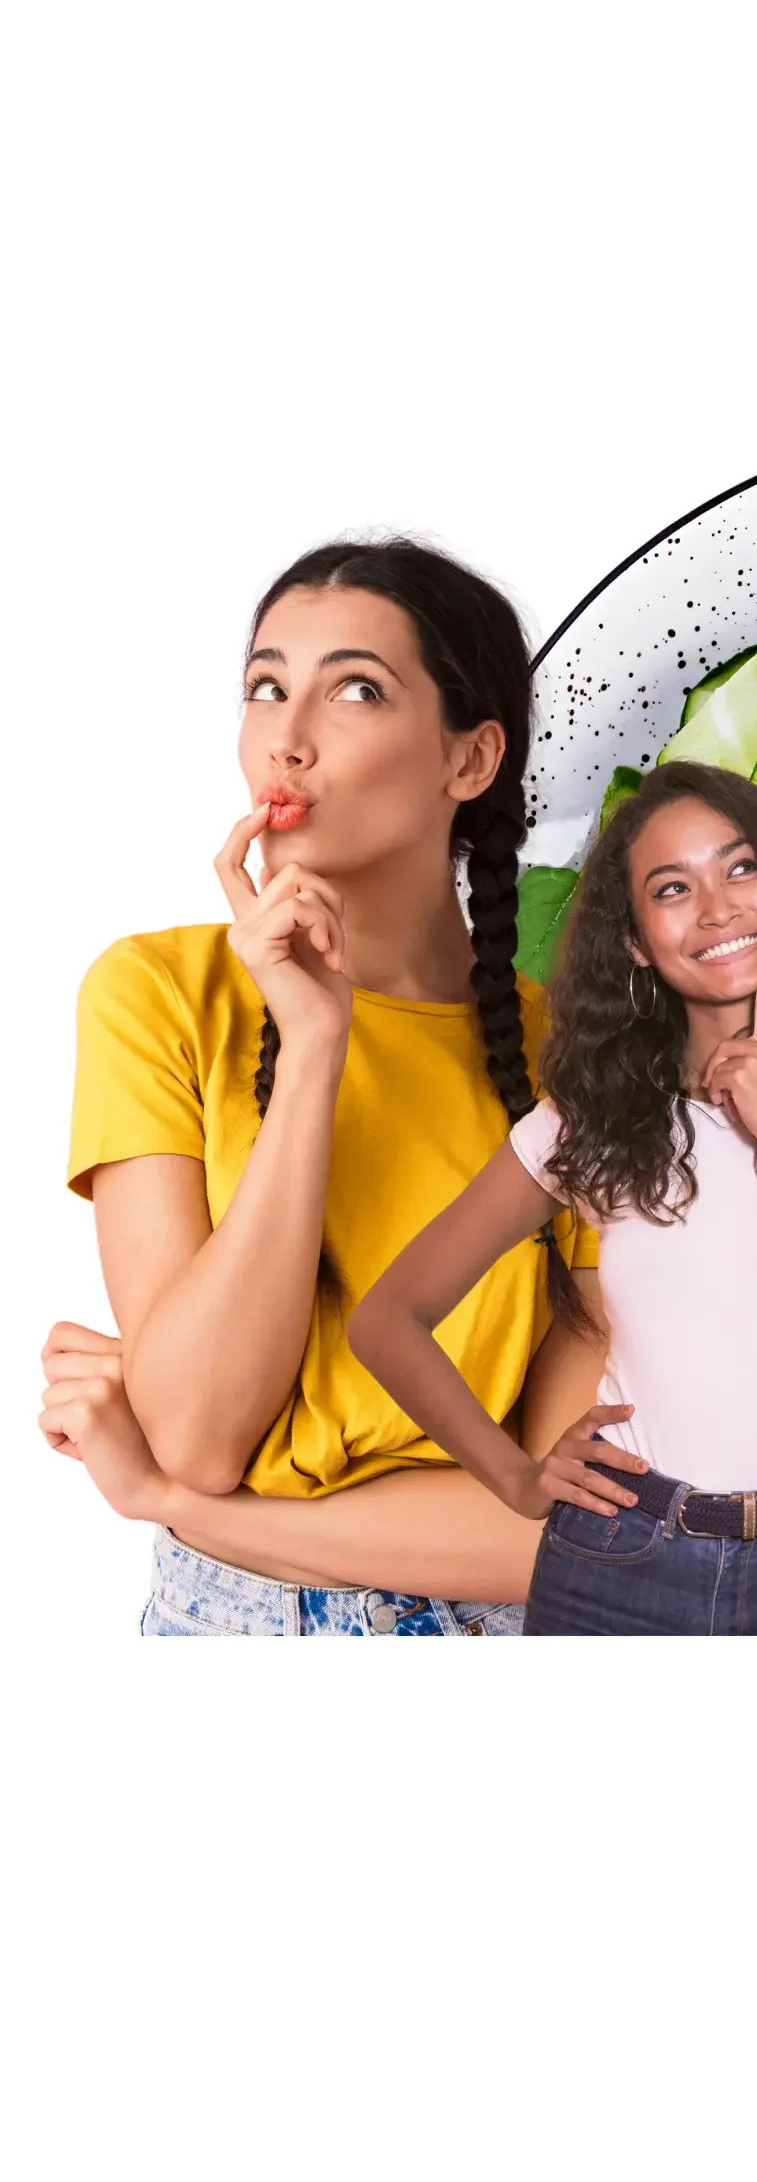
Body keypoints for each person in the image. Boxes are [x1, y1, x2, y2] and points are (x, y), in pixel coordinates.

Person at [39, 538, 607, 1635]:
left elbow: (562, 1536)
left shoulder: (573, 1064)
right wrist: (312, 1053)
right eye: (265, 686)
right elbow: (204, 1429)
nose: (285, 740)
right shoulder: (157, 992)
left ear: (470, 759)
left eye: (355, 689)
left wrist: (168, 1499)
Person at [344, 759, 757, 1636]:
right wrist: (517, 1480)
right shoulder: (591, 1124)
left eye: (741, 867)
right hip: (615, 1559)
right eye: (673, 888)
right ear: (635, 940)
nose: (716, 907)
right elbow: (388, 1319)